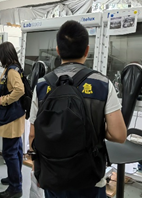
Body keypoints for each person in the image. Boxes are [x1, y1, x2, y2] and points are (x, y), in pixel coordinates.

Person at [29, 20, 127, 198]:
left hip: (52, 175)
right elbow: (119, 135)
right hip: (89, 176)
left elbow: (33, 136)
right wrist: (95, 128)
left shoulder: (42, 85)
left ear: (58, 50)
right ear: (87, 50)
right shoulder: (102, 84)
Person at [0, 42, 26, 198]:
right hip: (15, 115)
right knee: (16, 150)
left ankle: (15, 187)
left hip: (11, 117)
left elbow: (19, 90)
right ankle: (15, 178)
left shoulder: (12, 71)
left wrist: (3, 100)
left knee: (9, 152)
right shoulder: (14, 68)